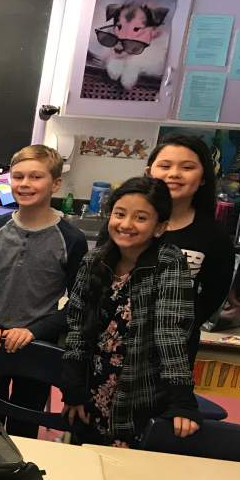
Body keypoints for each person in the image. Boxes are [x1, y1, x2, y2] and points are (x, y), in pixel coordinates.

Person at [61, 176, 201, 447]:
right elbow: (77, 325)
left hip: (139, 393)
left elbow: (170, 334)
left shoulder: (168, 262)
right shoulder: (94, 260)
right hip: (93, 388)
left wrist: (182, 401)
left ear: (159, 227)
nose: (126, 225)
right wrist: (73, 390)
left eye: (140, 218)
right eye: (120, 214)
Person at [0, 145, 87, 437]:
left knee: (25, 426)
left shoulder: (70, 239)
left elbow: (78, 303)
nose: (25, 184)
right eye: (18, 176)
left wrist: (34, 331)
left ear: (56, 183)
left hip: (37, 346)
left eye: (35, 177)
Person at [145, 135, 235, 364]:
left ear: (203, 177)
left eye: (187, 167)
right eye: (165, 166)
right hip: (114, 340)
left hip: (173, 350)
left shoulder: (214, 236)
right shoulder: (127, 224)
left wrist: (182, 324)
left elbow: (214, 293)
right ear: (149, 172)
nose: (174, 173)